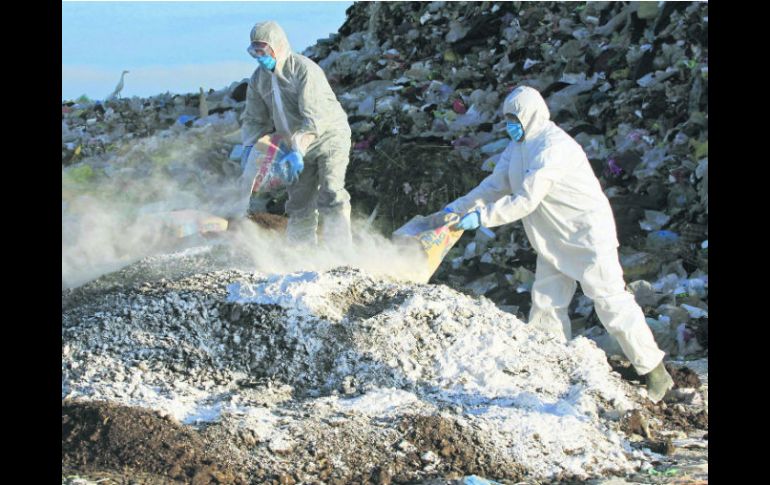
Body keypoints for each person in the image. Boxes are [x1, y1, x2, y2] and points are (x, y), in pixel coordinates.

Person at [445, 86, 674, 402]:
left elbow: (526, 198)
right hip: (553, 237)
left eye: (516, 118)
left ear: (532, 114)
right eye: (508, 119)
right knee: (546, 301)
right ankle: (551, 362)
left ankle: (655, 371)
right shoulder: (519, 145)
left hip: (586, 236)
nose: (511, 125)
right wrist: (458, 208)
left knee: (610, 301)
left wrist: (481, 218)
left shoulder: (553, 148)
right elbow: (497, 184)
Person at [240, 20, 353, 249]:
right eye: (255, 50)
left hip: (329, 137)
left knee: (331, 192)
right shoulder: (258, 79)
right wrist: (250, 148)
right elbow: (254, 118)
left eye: (263, 49)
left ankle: (341, 255)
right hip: (295, 146)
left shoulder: (303, 70)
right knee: (299, 203)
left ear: (278, 46)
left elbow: (314, 118)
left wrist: (299, 148)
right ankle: (300, 256)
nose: (260, 55)